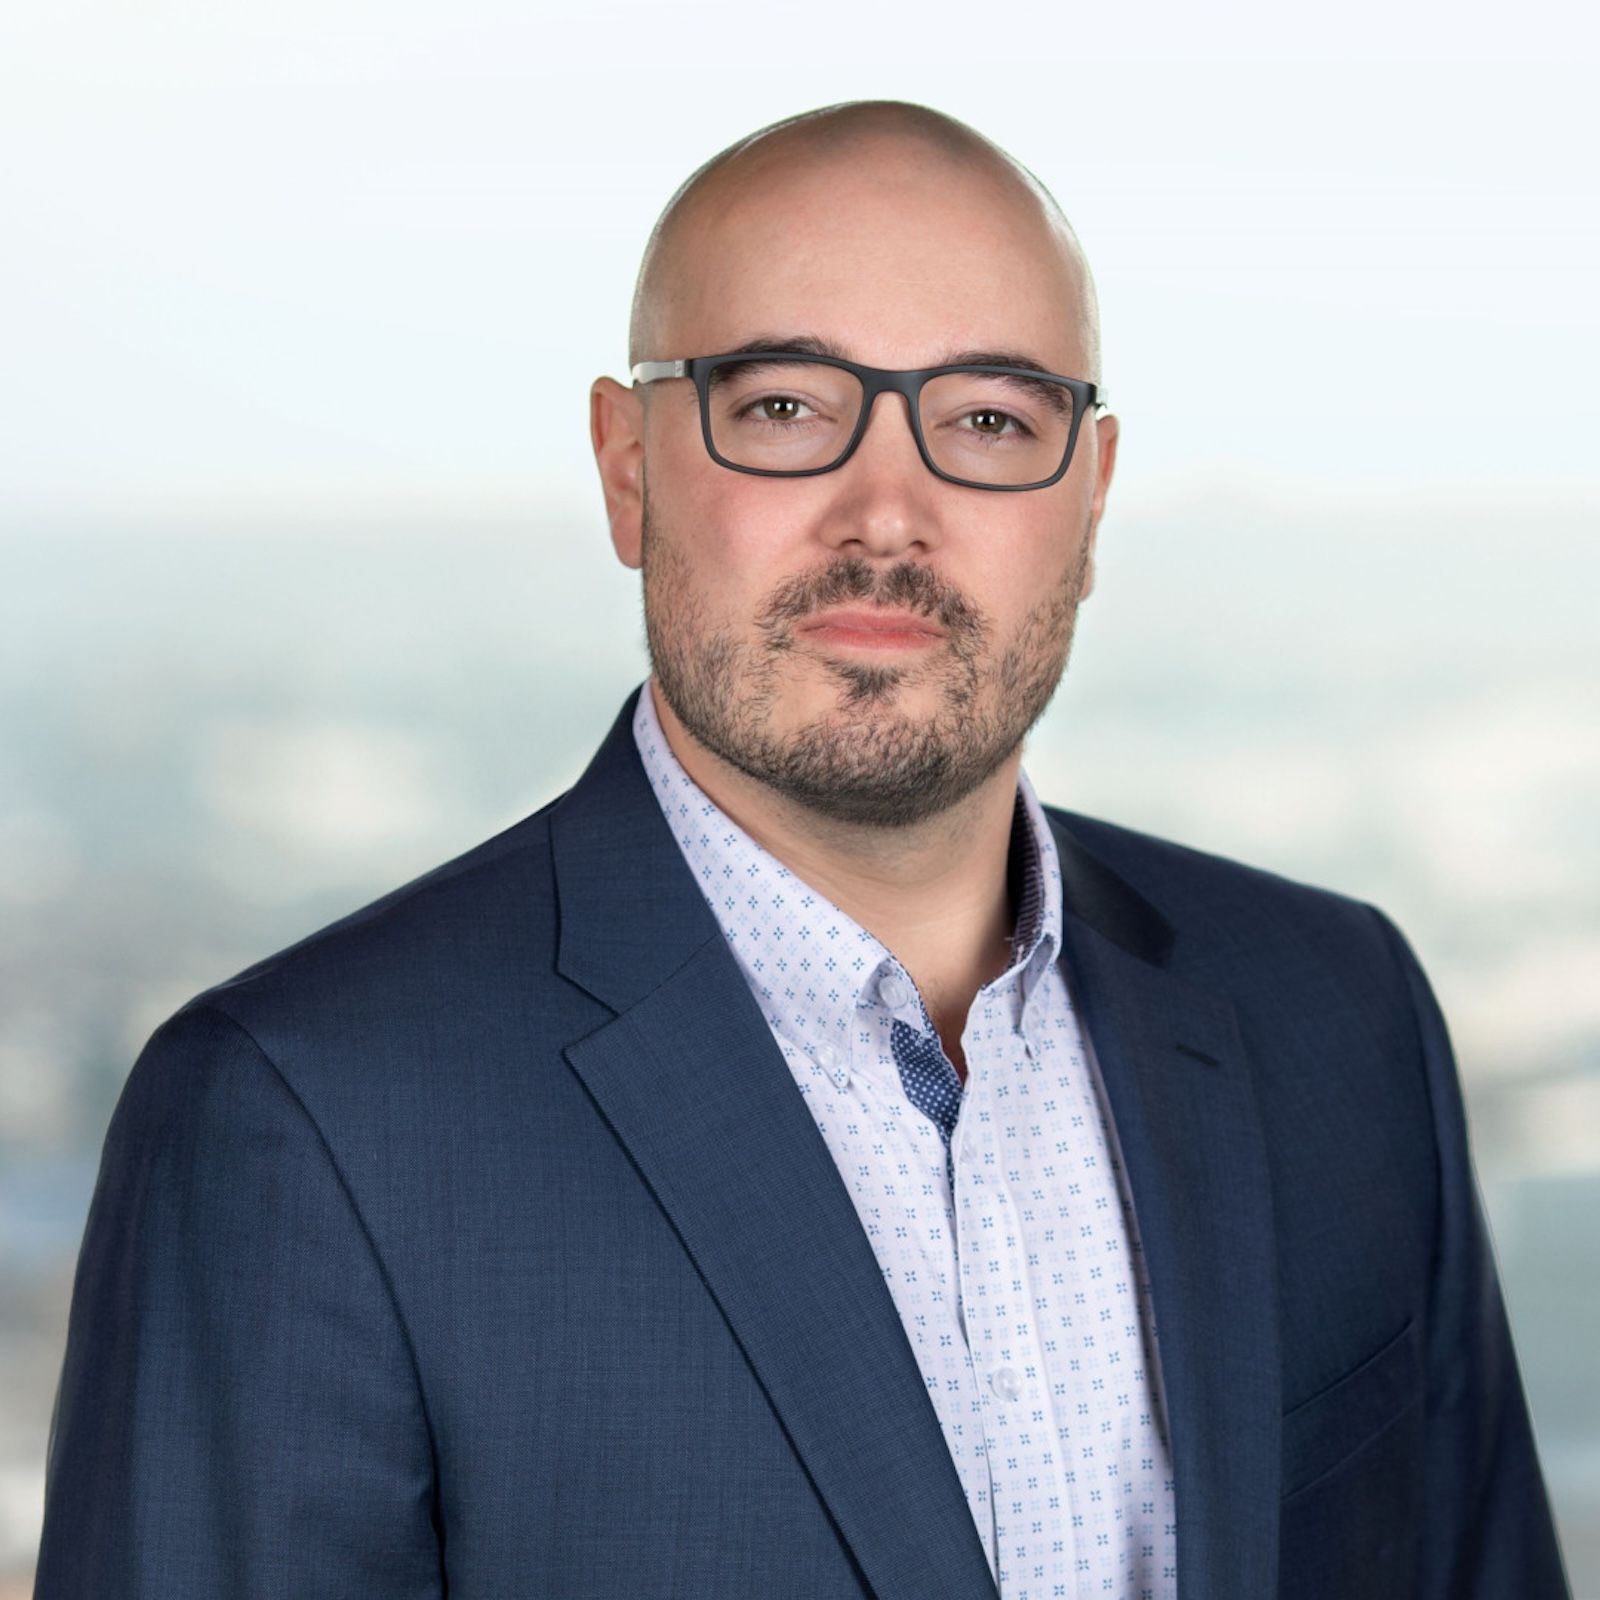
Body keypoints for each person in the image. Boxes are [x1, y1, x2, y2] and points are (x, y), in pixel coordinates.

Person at [34, 100, 1569, 1600]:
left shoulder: (1336, 1009)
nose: (887, 513)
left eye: (988, 419)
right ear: (628, 467)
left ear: (1089, 500)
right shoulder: (304, 1122)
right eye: (783, 407)